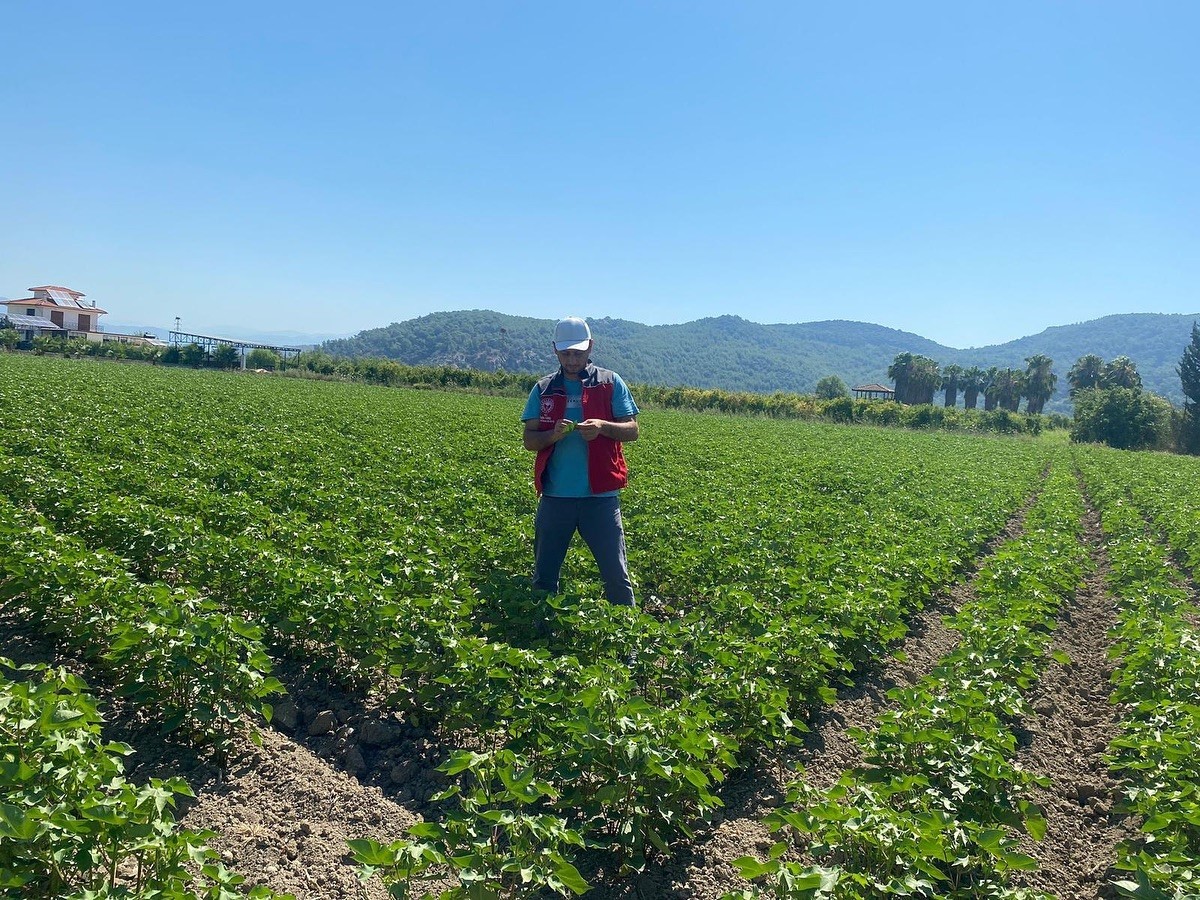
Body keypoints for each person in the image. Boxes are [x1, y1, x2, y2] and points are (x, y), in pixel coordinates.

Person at [521, 317, 640, 606]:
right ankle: (540, 635)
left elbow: (632, 430)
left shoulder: (610, 382)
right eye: (566, 354)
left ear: (590, 347)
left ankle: (628, 643)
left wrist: (602, 426)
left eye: (578, 353)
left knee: (616, 574)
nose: (572, 360)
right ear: (555, 351)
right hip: (555, 497)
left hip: (600, 497)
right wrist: (553, 435)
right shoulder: (544, 388)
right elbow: (529, 440)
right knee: (544, 575)